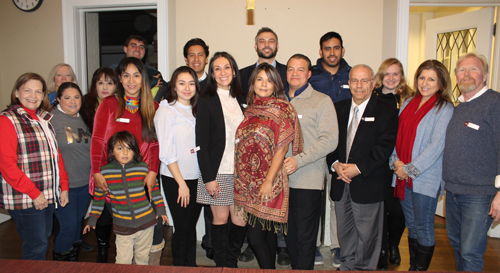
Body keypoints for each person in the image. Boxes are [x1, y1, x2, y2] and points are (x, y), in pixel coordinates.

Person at [90, 57, 163, 264]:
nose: (132, 81)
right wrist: (96, 171)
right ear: (120, 79)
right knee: (123, 232)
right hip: (113, 179)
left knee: (150, 229)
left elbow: (156, 145)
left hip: (143, 179)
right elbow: (96, 139)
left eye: (137, 75)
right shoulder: (109, 104)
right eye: (126, 75)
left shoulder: (153, 107)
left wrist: (152, 173)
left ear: (143, 79)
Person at [326, 64, 398, 271]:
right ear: (348, 84)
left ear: (373, 83)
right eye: (354, 80)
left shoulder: (386, 110)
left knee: (368, 235)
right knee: (345, 231)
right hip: (341, 181)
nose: (359, 85)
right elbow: (330, 143)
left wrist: (358, 168)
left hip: (368, 181)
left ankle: (363, 269)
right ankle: (348, 265)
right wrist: (335, 164)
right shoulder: (338, 108)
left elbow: (384, 147)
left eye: (364, 80)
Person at [234, 63, 303, 269]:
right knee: (267, 235)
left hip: (269, 181)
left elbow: (281, 149)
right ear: (253, 83)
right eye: (259, 79)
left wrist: (268, 181)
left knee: (254, 237)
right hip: (249, 182)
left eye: (269, 80)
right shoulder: (250, 110)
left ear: (276, 84)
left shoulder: (283, 109)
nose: (264, 84)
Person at [390, 60, 453, 271]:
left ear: (441, 83)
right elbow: (396, 136)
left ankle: (419, 269)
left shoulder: (444, 108)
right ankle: (413, 268)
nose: (425, 83)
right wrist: (395, 162)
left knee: (424, 226)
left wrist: (408, 170)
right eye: (422, 77)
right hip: (402, 177)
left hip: (425, 179)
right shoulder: (408, 103)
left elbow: (436, 147)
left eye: (431, 79)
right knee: (413, 226)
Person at [0, 73, 69, 260]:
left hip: (46, 194)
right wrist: (34, 193)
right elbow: (6, 165)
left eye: (38, 91)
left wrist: (63, 186)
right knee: (36, 244)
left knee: (43, 239)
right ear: (16, 92)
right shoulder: (7, 120)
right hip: (27, 196)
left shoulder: (44, 119)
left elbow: (56, 156)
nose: (33, 95)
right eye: (27, 90)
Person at [443, 53, 500, 272]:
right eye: (461, 70)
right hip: (454, 191)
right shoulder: (458, 108)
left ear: (485, 75)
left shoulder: (494, 103)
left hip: (480, 195)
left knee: (470, 252)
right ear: (456, 76)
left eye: (473, 69)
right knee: (458, 246)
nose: (466, 74)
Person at [282, 54, 338, 270]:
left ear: (309, 74)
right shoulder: (278, 100)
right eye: (290, 69)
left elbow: (330, 140)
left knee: (305, 239)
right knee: (289, 236)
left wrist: (299, 160)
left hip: (308, 180)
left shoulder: (321, 101)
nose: (294, 74)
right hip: (281, 182)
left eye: (300, 69)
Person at [84, 131, 168, 265]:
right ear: (111, 151)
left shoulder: (142, 168)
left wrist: (161, 209)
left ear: (135, 151)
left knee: (142, 259)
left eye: (129, 149)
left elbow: (155, 189)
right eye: (120, 148)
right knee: (123, 261)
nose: (125, 153)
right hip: (122, 226)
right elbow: (99, 198)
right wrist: (93, 218)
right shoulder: (105, 172)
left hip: (146, 223)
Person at [195, 52, 247, 268]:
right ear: (212, 74)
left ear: (234, 71)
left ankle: (231, 259)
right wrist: (208, 177)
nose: (223, 72)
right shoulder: (206, 99)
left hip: (241, 172)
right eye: (217, 68)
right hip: (218, 171)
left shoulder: (242, 98)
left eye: (227, 67)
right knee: (220, 219)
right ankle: (222, 264)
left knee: (240, 220)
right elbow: (202, 142)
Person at [309, 31, 351, 266]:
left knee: (337, 198)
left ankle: (337, 245)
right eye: (327, 48)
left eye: (336, 48)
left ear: (342, 50)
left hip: (342, 147)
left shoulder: (352, 74)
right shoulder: (311, 76)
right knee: (314, 196)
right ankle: (312, 244)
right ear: (321, 51)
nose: (332, 52)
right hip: (315, 145)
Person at [154, 66, 202, 266]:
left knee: (191, 228)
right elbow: (166, 152)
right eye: (182, 83)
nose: (187, 88)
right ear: (174, 86)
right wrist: (181, 183)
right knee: (182, 228)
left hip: (197, 177)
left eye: (191, 83)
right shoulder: (166, 110)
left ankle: (190, 266)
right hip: (176, 179)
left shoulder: (198, 109)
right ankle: (180, 267)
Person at [373, 58, 414, 269]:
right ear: (381, 76)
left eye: (396, 74)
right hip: (380, 163)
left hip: (402, 164)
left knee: (399, 212)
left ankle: (394, 244)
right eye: (387, 74)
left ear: (401, 76)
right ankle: (381, 249)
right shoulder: (373, 97)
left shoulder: (411, 99)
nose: (391, 78)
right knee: (382, 209)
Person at [79, 67, 118, 262]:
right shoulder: (84, 106)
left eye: (110, 82)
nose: (105, 87)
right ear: (94, 85)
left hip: (116, 166)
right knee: (100, 210)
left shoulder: (121, 105)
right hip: (93, 165)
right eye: (100, 82)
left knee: (117, 209)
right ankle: (102, 248)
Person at [51, 82, 92, 261]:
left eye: (76, 97)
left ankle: (72, 263)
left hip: (85, 184)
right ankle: (60, 264)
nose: (72, 101)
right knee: (68, 227)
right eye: (67, 97)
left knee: (76, 226)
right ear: (58, 99)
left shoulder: (84, 117)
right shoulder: (51, 119)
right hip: (64, 186)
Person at [111, 35, 165, 100]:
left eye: (141, 47)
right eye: (133, 46)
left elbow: (165, 91)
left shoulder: (152, 72)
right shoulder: (114, 69)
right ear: (125, 49)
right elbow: (113, 90)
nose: (138, 49)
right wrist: (150, 83)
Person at [239, 27, 288, 99]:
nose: (267, 45)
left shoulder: (288, 73)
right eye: (262, 41)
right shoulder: (241, 75)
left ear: (277, 46)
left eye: (271, 41)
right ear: (255, 46)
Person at [80, 67, 118, 133]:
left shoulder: (122, 104)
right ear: (95, 86)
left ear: (116, 86)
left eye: (109, 83)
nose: (105, 87)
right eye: (100, 83)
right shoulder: (84, 104)